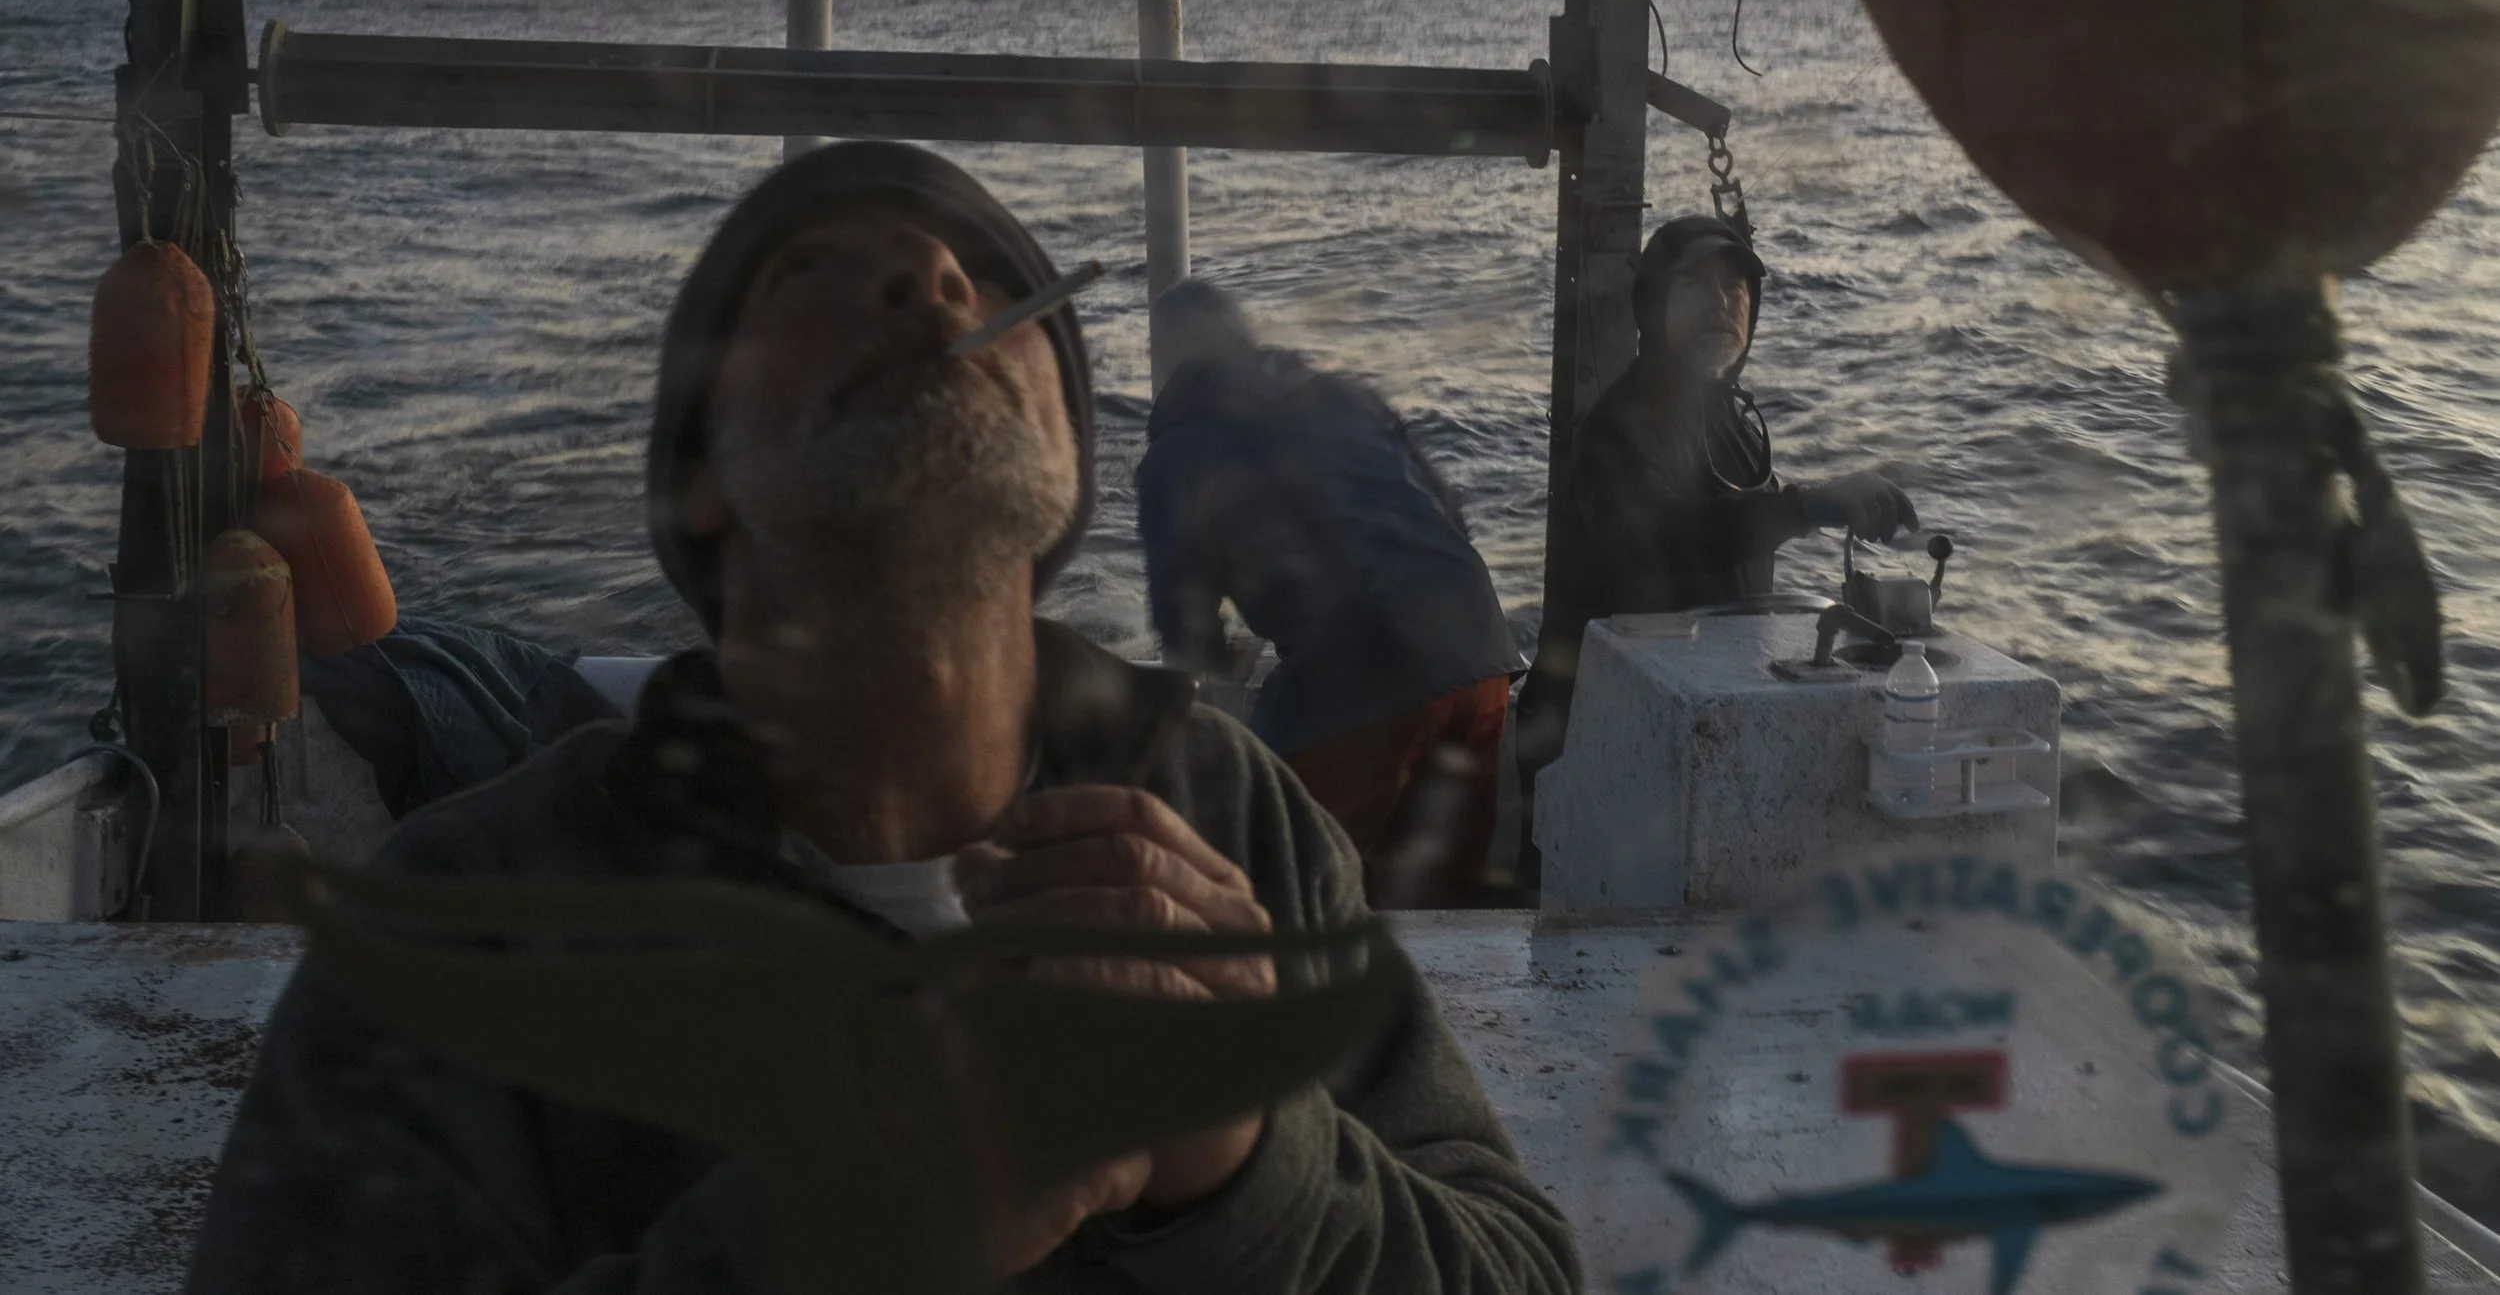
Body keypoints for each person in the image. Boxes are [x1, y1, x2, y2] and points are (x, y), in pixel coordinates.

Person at [188, 142, 1578, 1295]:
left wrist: (1244, 1155)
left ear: (1064, 453)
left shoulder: (1227, 814)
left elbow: (1517, 1268)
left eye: (993, 282)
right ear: (701, 479)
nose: (930, 282)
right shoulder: (475, 912)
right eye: (809, 275)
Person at [1134, 281, 1523, 908]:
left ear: (1165, 363)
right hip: (1478, 648)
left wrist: (1224, 658)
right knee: (1445, 897)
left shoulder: (1174, 456)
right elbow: (1450, 515)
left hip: (1364, 678)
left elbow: (1182, 625)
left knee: (1284, 876)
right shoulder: (1345, 396)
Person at [1515, 215, 1917, 796]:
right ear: (1653, 304)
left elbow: (1734, 543)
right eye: (1694, 286)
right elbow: (1662, 540)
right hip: (1597, 739)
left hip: (1699, 714)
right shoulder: (1617, 431)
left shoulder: (1736, 427)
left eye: (1736, 288)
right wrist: (1805, 508)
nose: (1721, 303)